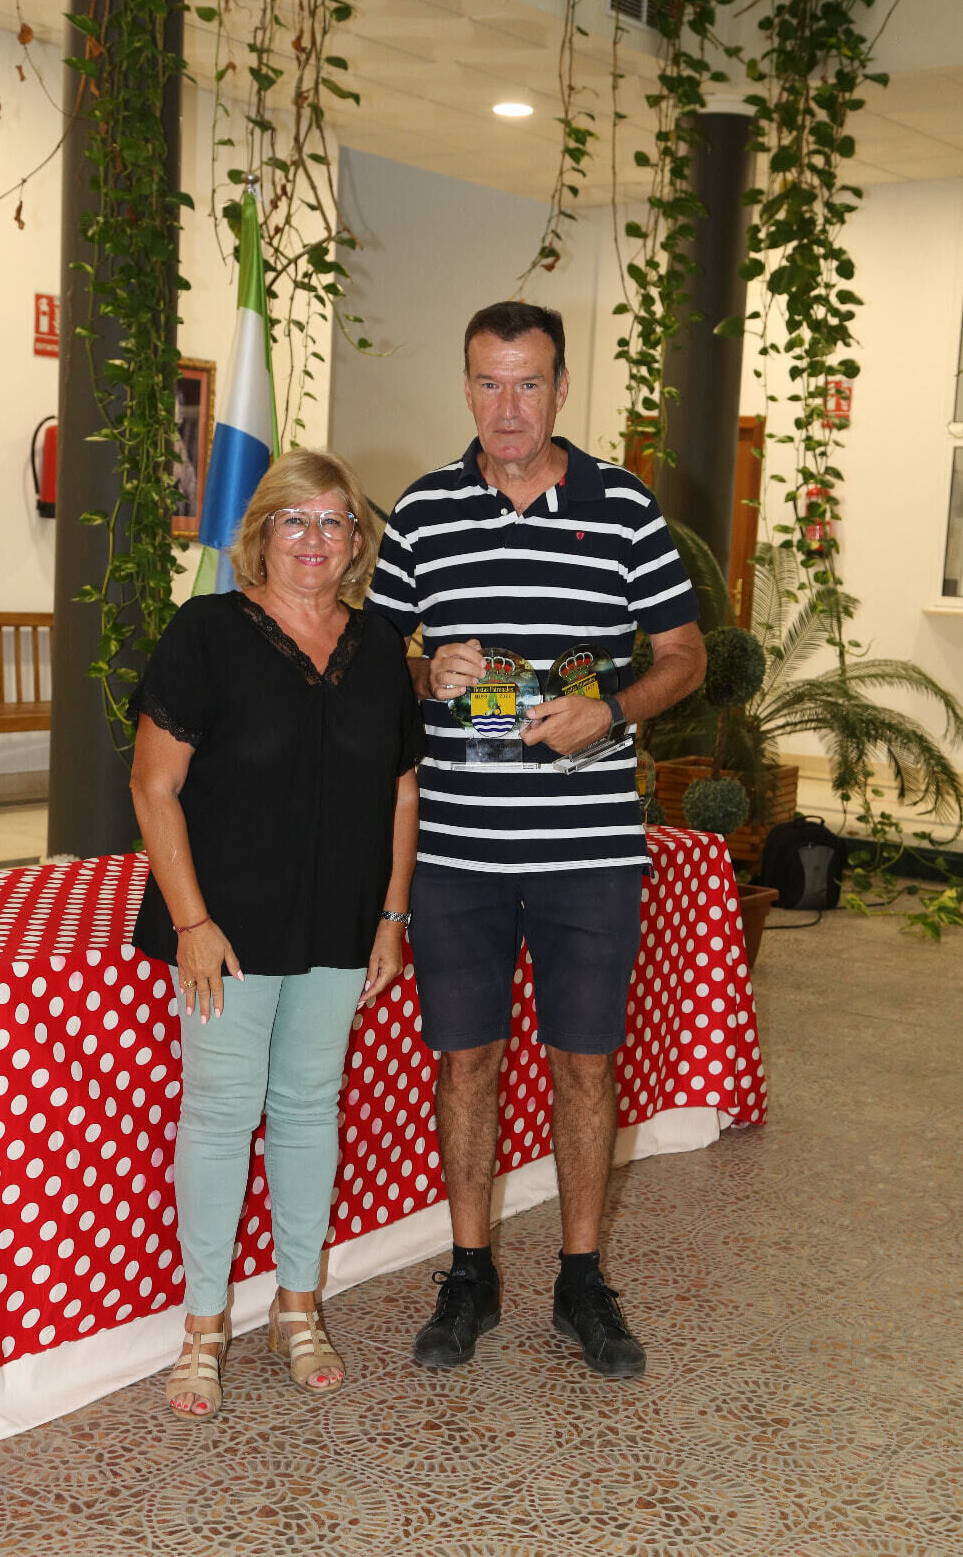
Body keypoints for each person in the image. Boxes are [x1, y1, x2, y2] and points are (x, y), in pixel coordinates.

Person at [364, 302, 706, 1378]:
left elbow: (684, 653)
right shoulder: (423, 511)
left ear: (561, 388)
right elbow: (372, 661)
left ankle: (581, 1277)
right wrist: (426, 671)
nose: (507, 408)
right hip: (457, 848)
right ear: (465, 386)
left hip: (588, 847)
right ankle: (469, 1273)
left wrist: (611, 711)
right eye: (488, 382)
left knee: (584, 1062)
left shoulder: (623, 506)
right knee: (465, 1060)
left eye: (528, 383)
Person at [130, 447, 423, 1418]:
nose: (314, 537)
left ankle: (298, 1305)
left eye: (334, 521)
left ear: (356, 543)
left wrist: (392, 915)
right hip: (228, 927)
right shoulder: (206, 633)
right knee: (221, 1113)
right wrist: (191, 922)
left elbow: (401, 788)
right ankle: (203, 1325)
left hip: (341, 919)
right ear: (261, 532)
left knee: (307, 1106)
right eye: (295, 518)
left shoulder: (380, 645)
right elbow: (154, 785)